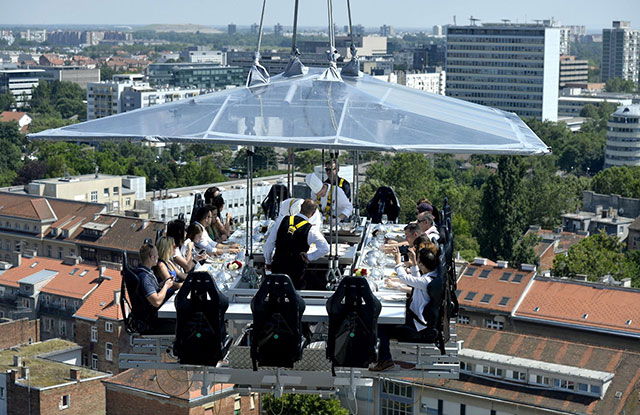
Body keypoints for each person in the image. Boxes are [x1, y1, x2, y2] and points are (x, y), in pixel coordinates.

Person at [370, 243, 440, 371]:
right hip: (417, 319)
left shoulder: (426, 282)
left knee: (381, 325)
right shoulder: (431, 277)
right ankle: (380, 356)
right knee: (383, 320)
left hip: (418, 328)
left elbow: (405, 278)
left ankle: (385, 360)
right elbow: (416, 279)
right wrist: (414, 264)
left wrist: (398, 261)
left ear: (422, 265)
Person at [263, 199, 329, 290]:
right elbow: (325, 248)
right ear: (313, 214)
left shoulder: (282, 220)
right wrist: (309, 257)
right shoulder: (311, 230)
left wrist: (268, 262)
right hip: (296, 270)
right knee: (294, 295)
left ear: (300, 207)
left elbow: (269, 244)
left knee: (276, 291)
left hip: (278, 265)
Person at [137, 242, 181, 309]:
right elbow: (156, 302)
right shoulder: (145, 277)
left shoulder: (148, 272)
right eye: (157, 255)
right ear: (151, 257)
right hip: (156, 314)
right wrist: (166, 286)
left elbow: (154, 288)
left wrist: (164, 283)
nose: (158, 257)